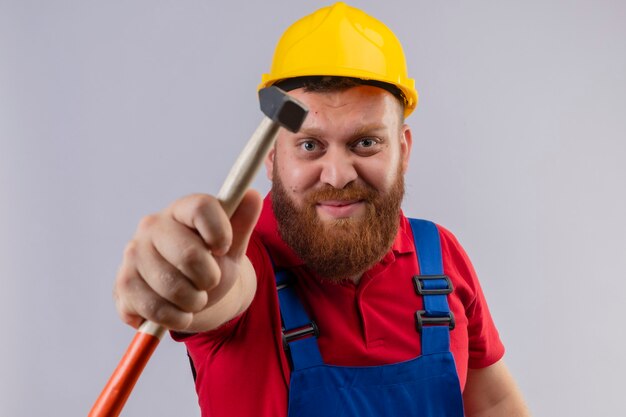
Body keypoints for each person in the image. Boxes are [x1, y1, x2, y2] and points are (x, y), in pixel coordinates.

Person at [113, 3, 530, 416]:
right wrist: (186, 277)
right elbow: (221, 292)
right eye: (310, 145)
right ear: (273, 159)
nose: (337, 175)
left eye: (365, 142)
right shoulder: (246, 260)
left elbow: (494, 403)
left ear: (402, 151)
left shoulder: (439, 256)